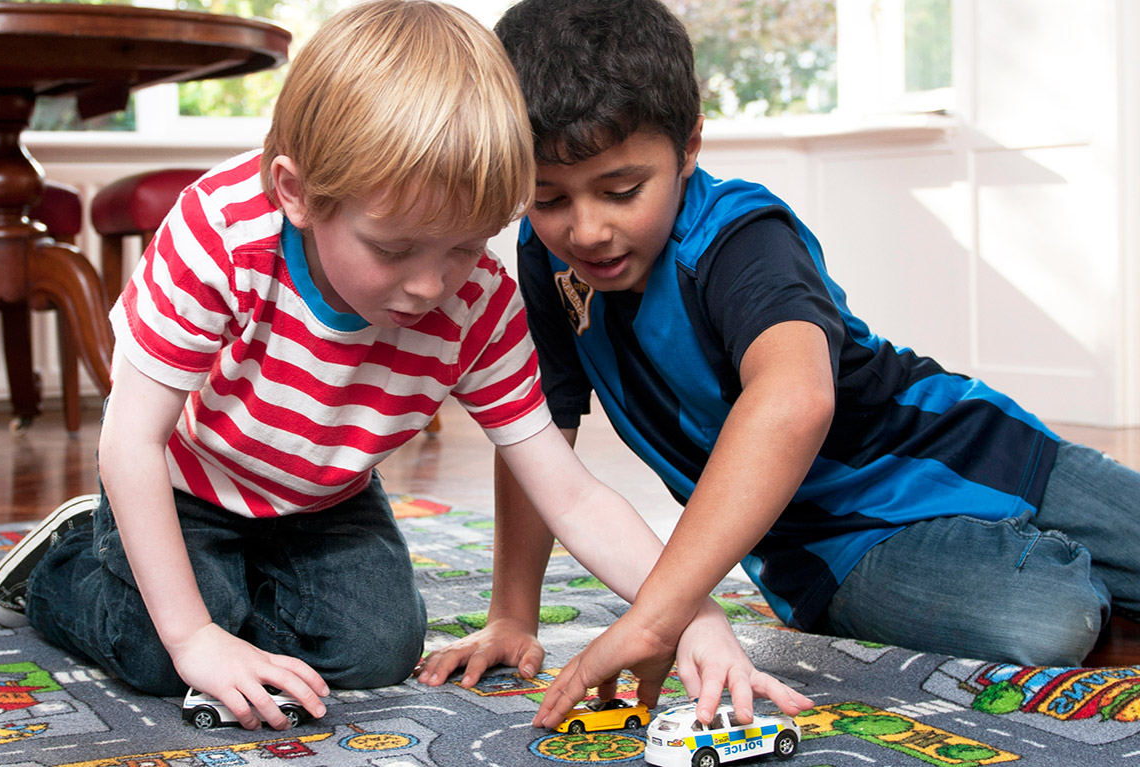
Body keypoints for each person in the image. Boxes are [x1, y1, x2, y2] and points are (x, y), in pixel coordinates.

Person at [0, 0, 809, 733]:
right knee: (167, 649)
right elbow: (131, 441)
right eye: (393, 249)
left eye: (460, 248)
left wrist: (690, 617)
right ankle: (62, 565)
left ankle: (227, 593)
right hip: (188, 483)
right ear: (298, 194)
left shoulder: (477, 298)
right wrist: (196, 636)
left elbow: (573, 490)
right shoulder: (222, 234)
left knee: (377, 648)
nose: (428, 284)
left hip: (326, 498)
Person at [418, 0, 1140, 731]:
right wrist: (512, 611)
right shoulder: (546, 264)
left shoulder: (739, 238)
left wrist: (657, 616)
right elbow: (536, 434)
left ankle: (1044, 550)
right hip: (829, 551)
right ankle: (1051, 566)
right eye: (548, 199)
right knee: (1050, 620)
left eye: (622, 190)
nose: (588, 229)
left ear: (690, 143)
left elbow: (794, 399)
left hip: (972, 449)